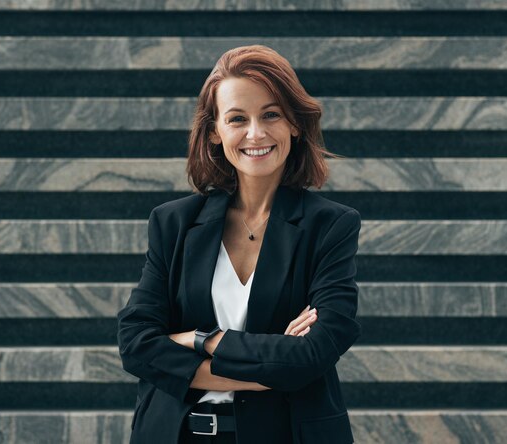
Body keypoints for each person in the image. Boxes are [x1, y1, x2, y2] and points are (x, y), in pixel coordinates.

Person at [117, 44, 362, 444]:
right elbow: (136, 345)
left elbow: (312, 355)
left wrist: (201, 338)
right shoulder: (174, 222)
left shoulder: (330, 226)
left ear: (295, 124)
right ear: (215, 131)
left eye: (271, 114)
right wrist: (269, 371)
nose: (255, 133)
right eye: (237, 119)